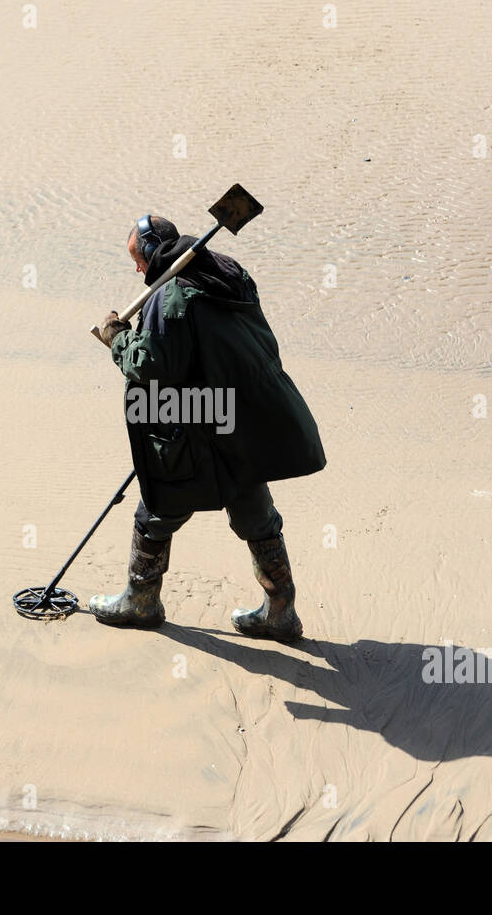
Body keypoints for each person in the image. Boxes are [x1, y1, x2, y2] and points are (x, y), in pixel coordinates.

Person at [90, 214, 326, 642]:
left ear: (150, 254)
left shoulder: (172, 297)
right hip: (246, 415)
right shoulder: (227, 272)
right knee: (254, 509)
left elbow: (154, 368)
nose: (137, 270)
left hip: (203, 419)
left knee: (158, 506)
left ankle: (141, 602)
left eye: (137, 261)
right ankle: (281, 612)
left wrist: (118, 340)